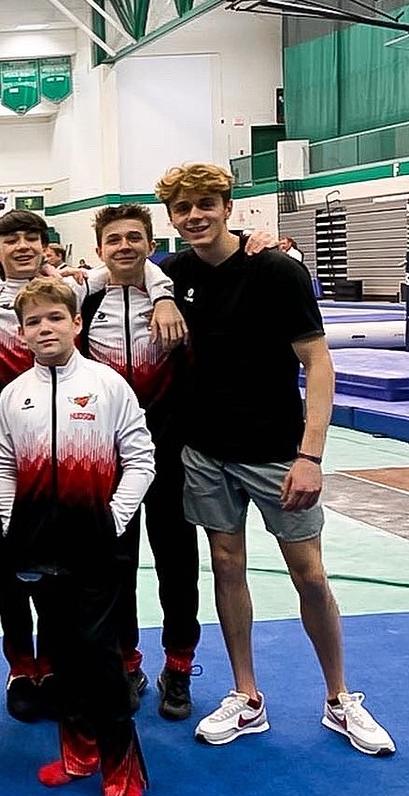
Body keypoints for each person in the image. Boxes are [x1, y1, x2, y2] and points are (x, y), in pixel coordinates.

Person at [154, 162, 395, 756]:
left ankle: (340, 697)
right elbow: (107, 272)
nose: (194, 216)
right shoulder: (175, 274)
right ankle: (246, 695)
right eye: (182, 208)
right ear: (172, 217)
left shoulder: (275, 269)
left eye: (206, 204)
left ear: (228, 206)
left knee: (309, 573)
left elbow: (318, 365)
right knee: (227, 565)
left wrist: (310, 455)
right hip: (206, 452)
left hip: (275, 452)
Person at [0, 210, 180, 722]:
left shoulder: (82, 289)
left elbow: (132, 264)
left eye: (32, 238)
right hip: (26, 480)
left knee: (106, 594)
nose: (21, 247)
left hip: (95, 491)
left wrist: (116, 514)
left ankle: (119, 670)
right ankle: (29, 669)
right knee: (32, 595)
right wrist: (5, 517)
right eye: (10, 240)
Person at [0, 278, 156, 796]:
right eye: (34, 322)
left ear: (76, 323)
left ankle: (122, 769)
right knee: (58, 650)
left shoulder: (109, 386)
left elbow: (141, 459)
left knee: (98, 652)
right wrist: (14, 525)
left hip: (96, 543)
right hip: (38, 543)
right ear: (22, 333)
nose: (45, 329)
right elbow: (2, 465)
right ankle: (79, 752)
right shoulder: (16, 394)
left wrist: (114, 518)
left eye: (54, 319)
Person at [78, 204, 200, 720]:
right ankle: (126, 662)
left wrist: (165, 292)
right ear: (99, 249)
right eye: (114, 239)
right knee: (114, 563)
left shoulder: (172, 287)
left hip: (168, 446)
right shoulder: (87, 293)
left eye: (135, 238)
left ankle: (178, 664)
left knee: (177, 561)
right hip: (108, 455)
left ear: (151, 244)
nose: (124, 246)